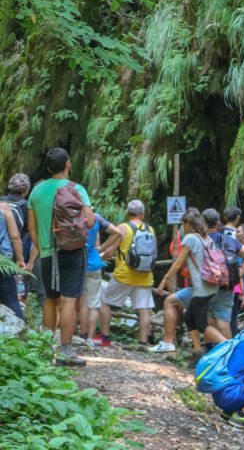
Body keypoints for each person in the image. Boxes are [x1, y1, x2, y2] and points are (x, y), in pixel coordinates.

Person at [27, 147, 95, 366]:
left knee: (50, 299)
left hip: (47, 253)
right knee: (69, 300)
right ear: (68, 165)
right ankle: (66, 351)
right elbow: (91, 222)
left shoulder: (36, 192)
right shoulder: (76, 188)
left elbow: (32, 228)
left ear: (48, 168)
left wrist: (44, 247)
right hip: (73, 251)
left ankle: (45, 348)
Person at [155, 207, 226, 355]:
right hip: (211, 285)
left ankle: (229, 346)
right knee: (189, 317)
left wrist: (164, 280)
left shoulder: (190, 238)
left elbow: (178, 263)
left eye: (183, 224)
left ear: (188, 224)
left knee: (201, 324)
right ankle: (198, 351)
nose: (182, 227)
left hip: (202, 289)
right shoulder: (205, 237)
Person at [99, 200, 156, 345]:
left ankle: (105, 337)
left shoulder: (123, 228)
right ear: (142, 214)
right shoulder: (150, 229)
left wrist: (98, 257)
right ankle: (143, 342)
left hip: (124, 275)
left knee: (104, 302)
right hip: (144, 275)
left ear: (127, 213)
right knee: (144, 310)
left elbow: (110, 252)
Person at [203, 208, 244, 338]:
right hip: (226, 286)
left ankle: (210, 350)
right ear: (218, 222)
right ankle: (228, 351)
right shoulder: (228, 240)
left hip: (205, 286)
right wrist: (239, 273)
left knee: (205, 318)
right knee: (224, 321)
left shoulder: (199, 240)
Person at [79, 213, 120, 346]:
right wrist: (101, 249)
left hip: (77, 264)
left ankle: (83, 336)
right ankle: (90, 339)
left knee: (83, 304)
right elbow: (117, 233)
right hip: (94, 264)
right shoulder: (96, 217)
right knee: (94, 304)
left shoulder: (73, 215)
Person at [2, 173, 34, 316]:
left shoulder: (1, 202)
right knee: (14, 296)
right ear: (26, 189)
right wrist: (23, 260)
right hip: (12, 255)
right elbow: (18, 236)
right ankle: (20, 325)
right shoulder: (27, 207)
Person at [0, 200, 26, 319]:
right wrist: (20, 260)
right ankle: (19, 333)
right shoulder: (4, 207)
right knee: (11, 300)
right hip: (4, 261)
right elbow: (15, 236)